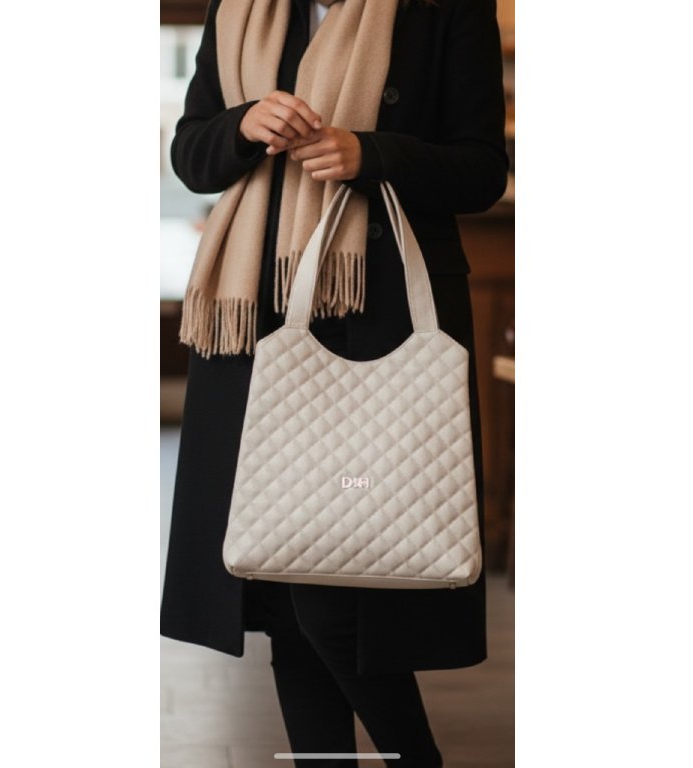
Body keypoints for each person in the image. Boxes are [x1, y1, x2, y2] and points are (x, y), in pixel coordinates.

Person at [160, 1, 508, 765]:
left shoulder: (444, 8)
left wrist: (371, 153)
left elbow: (483, 169)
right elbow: (190, 155)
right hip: (254, 323)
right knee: (283, 584)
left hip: (378, 324)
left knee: (333, 591)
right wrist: (243, 125)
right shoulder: (239, 8)